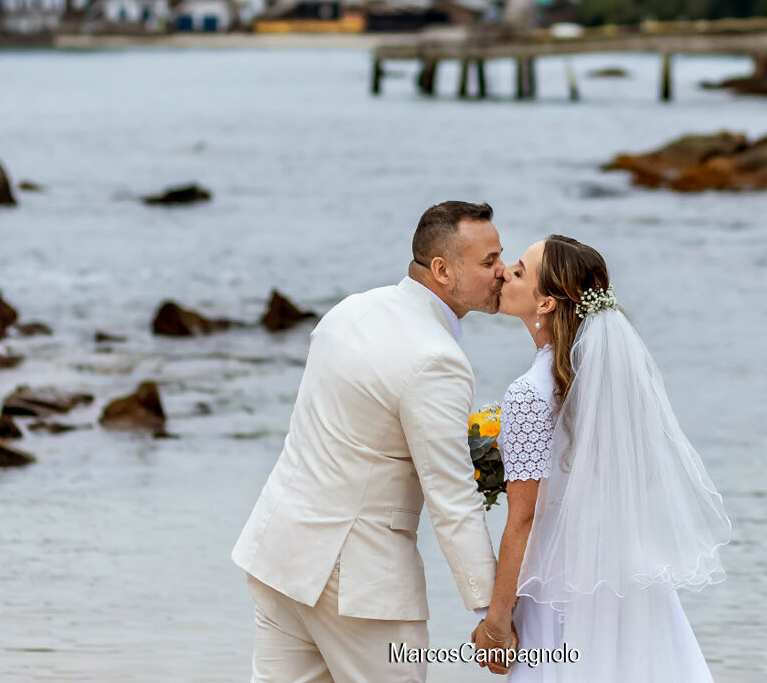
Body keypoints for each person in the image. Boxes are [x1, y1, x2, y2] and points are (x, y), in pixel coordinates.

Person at [232, 201, 511, 682]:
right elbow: (451, 497)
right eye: (489, 261)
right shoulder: (437, 359)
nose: (503, 270)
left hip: (280, 552)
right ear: (442, 270)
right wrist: (492, 612)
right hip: (355, 581)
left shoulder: (350, 311)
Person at [479, 235, 731, 679]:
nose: (504, 274)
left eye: (518, 271)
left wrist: (497, 621)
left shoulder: (528, 394)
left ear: (546, 304)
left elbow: (523, 518)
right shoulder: (609, 384)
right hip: (624, 576)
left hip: (557, 586)